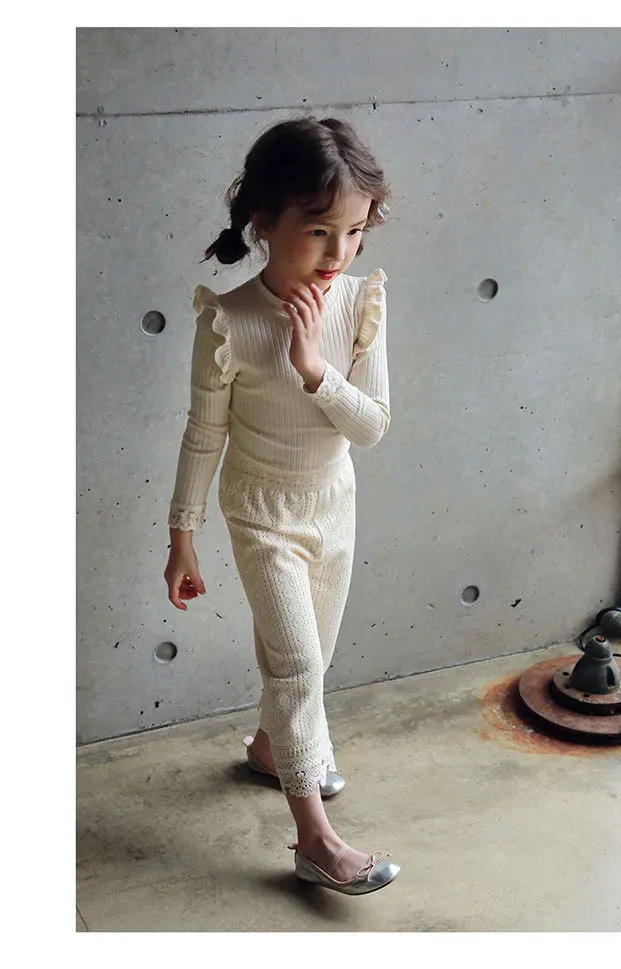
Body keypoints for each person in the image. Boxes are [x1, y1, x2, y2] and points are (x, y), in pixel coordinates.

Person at [164, 116, 400, 895]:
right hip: (261, 513)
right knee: (296, 663)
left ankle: (272, 748)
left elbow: (371, 426)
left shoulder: (360, 302)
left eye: (355, 231)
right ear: (264, 222)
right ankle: (315, 841)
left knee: (312, 659)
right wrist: (183, 535)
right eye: (319, 231)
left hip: (335, 505)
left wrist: (314, 369)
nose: (339, 254)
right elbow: (204, 432)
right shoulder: (229, 319)